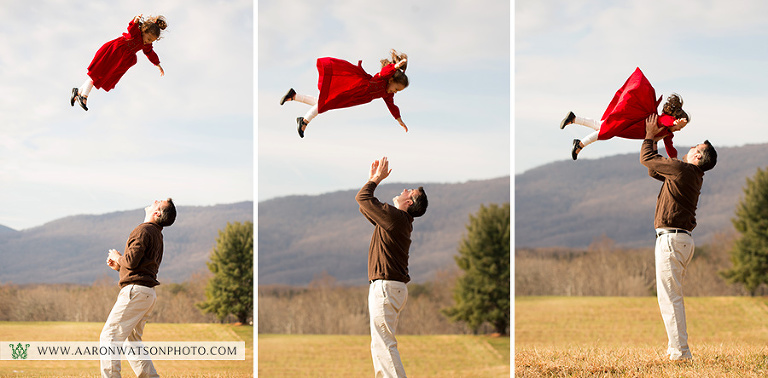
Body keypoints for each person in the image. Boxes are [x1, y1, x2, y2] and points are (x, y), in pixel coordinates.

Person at [640, 114, 717, 361]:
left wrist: (651, 134)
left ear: (697, 157)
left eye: (695, 148)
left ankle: (680, 352)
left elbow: (646, 159)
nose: (691, 147)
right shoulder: (687, 174)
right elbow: (654, 170)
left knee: (670, 298)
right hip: (679, 241)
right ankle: (677, 348)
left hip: (672, 241)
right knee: (672, 297)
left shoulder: (684, 170)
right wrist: (659, 133)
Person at [355, 156, 428, 378]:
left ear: (408, 204)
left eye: (410, 192)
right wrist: (370, 180)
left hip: (386, 288)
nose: (405, 190)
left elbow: (363, 198)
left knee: (384, 345)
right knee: (380, 346)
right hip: (390, 288)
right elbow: (365, 207)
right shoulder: (394, 220)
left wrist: (376, 180)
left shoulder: (395, 218)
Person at [100, 198, 177, 378]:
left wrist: (118, 257)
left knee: (109, 337)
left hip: (135, 292)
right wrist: (120, 267)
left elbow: (131, 261)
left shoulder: (143, 230)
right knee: (131, 341)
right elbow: (139, 266)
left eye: (158, 203)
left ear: (156, 213)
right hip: (147, 293)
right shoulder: (157, 234)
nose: (155, 201)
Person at [560, 67, 690, 160]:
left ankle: (574, 119)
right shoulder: (664, 121)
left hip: (630, 128)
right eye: (680, 126)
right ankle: (580, 144)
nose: (679, 129)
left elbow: (670, 147)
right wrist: (674, 122)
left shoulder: (668, 134)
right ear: (674, 118)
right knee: (606, 132)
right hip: (631, 125)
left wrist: (674, 160)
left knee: (603, 126)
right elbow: (665, 120)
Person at [280, 49, 409, 138]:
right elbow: (386, 71)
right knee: (327, 103)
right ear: (391, 80)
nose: (395, 92)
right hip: (354, 89)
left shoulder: (387, 94)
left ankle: (294, 96)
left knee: (327, 103)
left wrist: (399, 119)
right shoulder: (381, 78)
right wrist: (396, 66)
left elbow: (392, 106)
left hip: (356, 99)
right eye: (396, 89)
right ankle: (304, 121)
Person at [71, 15, 167, 111]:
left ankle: (78, 92)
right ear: (144, 31)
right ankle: (84, 96)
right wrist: (135, 20)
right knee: (99, 74)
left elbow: (150, 53)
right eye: (149, 39)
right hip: (114, 52)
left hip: (122, 61)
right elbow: (131, 27)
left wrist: (158, 65)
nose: (148, 42)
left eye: (152, 41)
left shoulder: (147, 45)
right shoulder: (136, 33)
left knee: (103, 77)